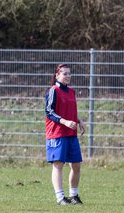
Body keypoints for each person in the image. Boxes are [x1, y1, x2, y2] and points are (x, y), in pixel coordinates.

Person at [45, 64, 85, 205]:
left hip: (71, 133)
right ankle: (60, 198)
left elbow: (69, 110)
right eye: (64, 74)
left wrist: (78, 120)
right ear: (57, 75)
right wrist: (65, 122)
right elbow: (49, 112)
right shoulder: (53, 91)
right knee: (58, 164)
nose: (68, 76)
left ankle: (73, 196)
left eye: (69, 73)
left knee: (76, 165)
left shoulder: (71, 91)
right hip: (57, 133)